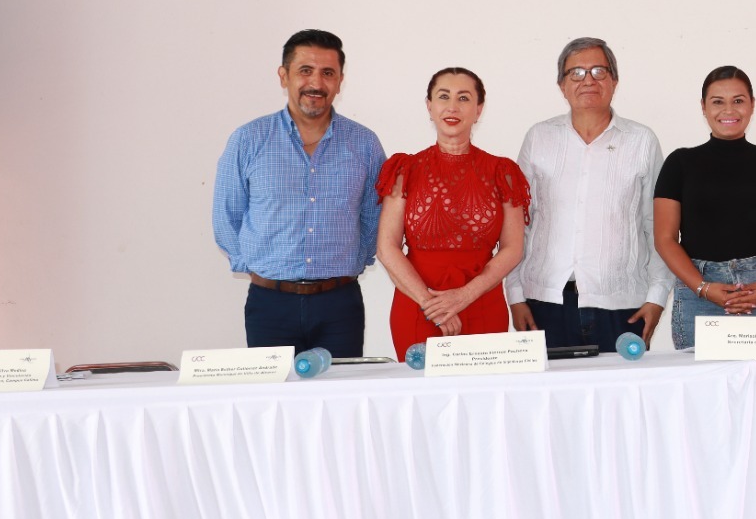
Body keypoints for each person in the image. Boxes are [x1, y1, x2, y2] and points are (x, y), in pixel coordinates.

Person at [213, 29, 385, 357]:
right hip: (270, 305)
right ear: (284, 76)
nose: (316, 83)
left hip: (340, 306)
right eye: (305, 70)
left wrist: (355, 261)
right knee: (273, 391)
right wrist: (255, 267)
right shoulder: (248, 140)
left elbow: (374, 215)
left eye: (328, 73)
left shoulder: (364, 143)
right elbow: (226, 215)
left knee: (342, 390)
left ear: (340, 81)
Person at [507, 38, 672, 349]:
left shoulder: (642, 141)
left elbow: (657, 226)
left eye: (599, 71)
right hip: (544, 303)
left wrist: (657, 296)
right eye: (576, 73)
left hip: (623, 306)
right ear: (562, 85)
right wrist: (515, 295)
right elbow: (519, 223)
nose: (588, 80)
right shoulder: (539, 138)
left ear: (614, 81)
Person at [375, 67, 530, 360]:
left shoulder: (503, 172)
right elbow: (386, 247)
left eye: (464, 98)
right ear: (429, 106)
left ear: (478, 109)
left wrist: (464, 296)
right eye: (443, 96)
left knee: (483, 388)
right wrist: (432, 305)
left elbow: (513, 249)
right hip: (419, 305)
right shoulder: (404, 170)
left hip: (482, 302)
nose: (452, 107)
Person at [654, 66, 756, 350]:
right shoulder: (679, 164)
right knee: (703, 379)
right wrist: (703, 288)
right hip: (700, 294)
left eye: (738, 100)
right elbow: (664, 239)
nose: (728, 110)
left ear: (752, 104)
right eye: (717, 101)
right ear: (703, 107)